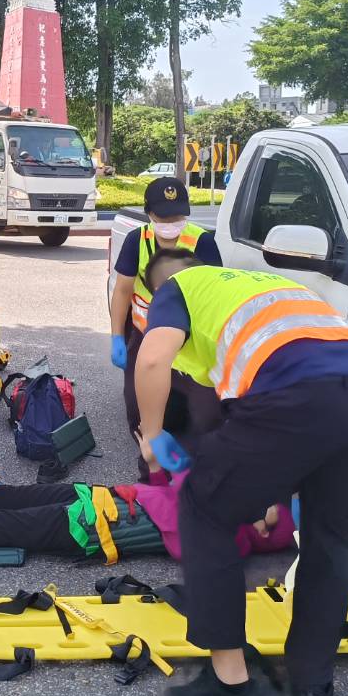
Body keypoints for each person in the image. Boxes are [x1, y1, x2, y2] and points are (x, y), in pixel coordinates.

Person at [133, 247, 348, 696]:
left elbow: (152, 362)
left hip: (296, 395)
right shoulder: (269, 289)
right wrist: (267, 495)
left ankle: (229, 682)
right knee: (329, 538)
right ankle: (313, 688)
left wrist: (152, 436)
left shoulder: (178, 289)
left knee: (203, 507)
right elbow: (260, 424)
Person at [0, 466, 296, 565]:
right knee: (7, 496)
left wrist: (261, 517)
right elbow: (177, 480)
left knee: (2, 528)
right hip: (108, 498)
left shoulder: (231, 541)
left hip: (97, 528)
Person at [108, 176, 222, 476]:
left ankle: (191, 474)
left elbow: (213, 296)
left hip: (189, 343)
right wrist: (117, 337)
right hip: (144, 336)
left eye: (178, 217)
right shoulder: (137, 240)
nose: (172, 224)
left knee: (200, 410)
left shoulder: (202, 242)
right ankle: (151, 473)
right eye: (163, 218)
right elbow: (122, 291)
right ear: (148, 213)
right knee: (139, 409)